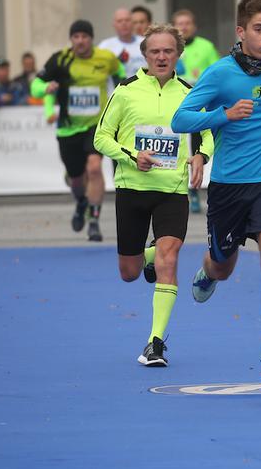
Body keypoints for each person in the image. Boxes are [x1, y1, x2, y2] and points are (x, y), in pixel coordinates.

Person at [171, 0, 261, 381]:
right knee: (223, 265)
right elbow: (180, 119)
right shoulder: (220, 73)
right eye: (259, 30)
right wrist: (223, 115)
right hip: (229, 184)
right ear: (241, 32)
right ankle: (208, 271)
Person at [93, 24, 214, 367]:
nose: (162, 57)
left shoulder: (190, 93)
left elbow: (208, 136)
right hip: (132, 188)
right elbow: (101, 138)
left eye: (169, 51)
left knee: (170, 258)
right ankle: (146, 256)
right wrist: (132, 156)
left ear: (178, 55)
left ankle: (155, 343)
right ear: (144, 56)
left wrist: (200, 156)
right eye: (155, 52)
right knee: (129, 272)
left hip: (172, 191)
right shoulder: (126, 91)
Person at [30, 20, 123, 242]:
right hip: (68, 129)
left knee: (94, 168)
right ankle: (81, 202)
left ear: (91, 38)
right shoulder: (60, 59)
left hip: (96, 125)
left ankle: (94, 220)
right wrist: (45, 88)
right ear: (71, 39)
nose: (80, 41)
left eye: (84, 36)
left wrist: (123, 94)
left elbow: (120, 73)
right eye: (76, 37)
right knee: (76, 180)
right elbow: (35, 85)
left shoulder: (106, 58)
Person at [172, 9, 220, 214]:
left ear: (194, 26)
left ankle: (194, 189)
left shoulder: (206, 47)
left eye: (187, 23)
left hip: (200, 108)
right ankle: (179, 188)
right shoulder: (170, 48)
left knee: (199, 149)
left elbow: (217, 73)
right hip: (175, 107)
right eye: (179, 24)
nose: (183, 27)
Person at [99, 8, 146, 78]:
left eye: (127, 20)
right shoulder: (105, 46)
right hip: (116, 88)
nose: (124, 23)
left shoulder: (145, 42)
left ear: (133, 23)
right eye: (119, 21)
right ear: (114, 25)